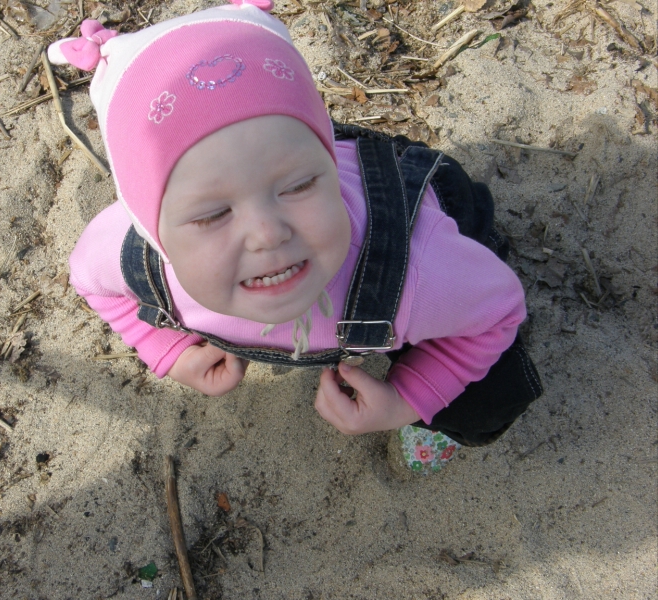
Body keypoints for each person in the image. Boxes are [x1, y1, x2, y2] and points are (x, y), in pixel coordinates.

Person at [48, 0, 542, 465]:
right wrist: (166, 350)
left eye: (300, 185)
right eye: (213, 215)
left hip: (407, 201)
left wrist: (406, 401)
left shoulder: (420, 269)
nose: (267, 234)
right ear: (152, 231)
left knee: (488, 398)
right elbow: (91, 283)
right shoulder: (133, 259)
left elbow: (497, 312)